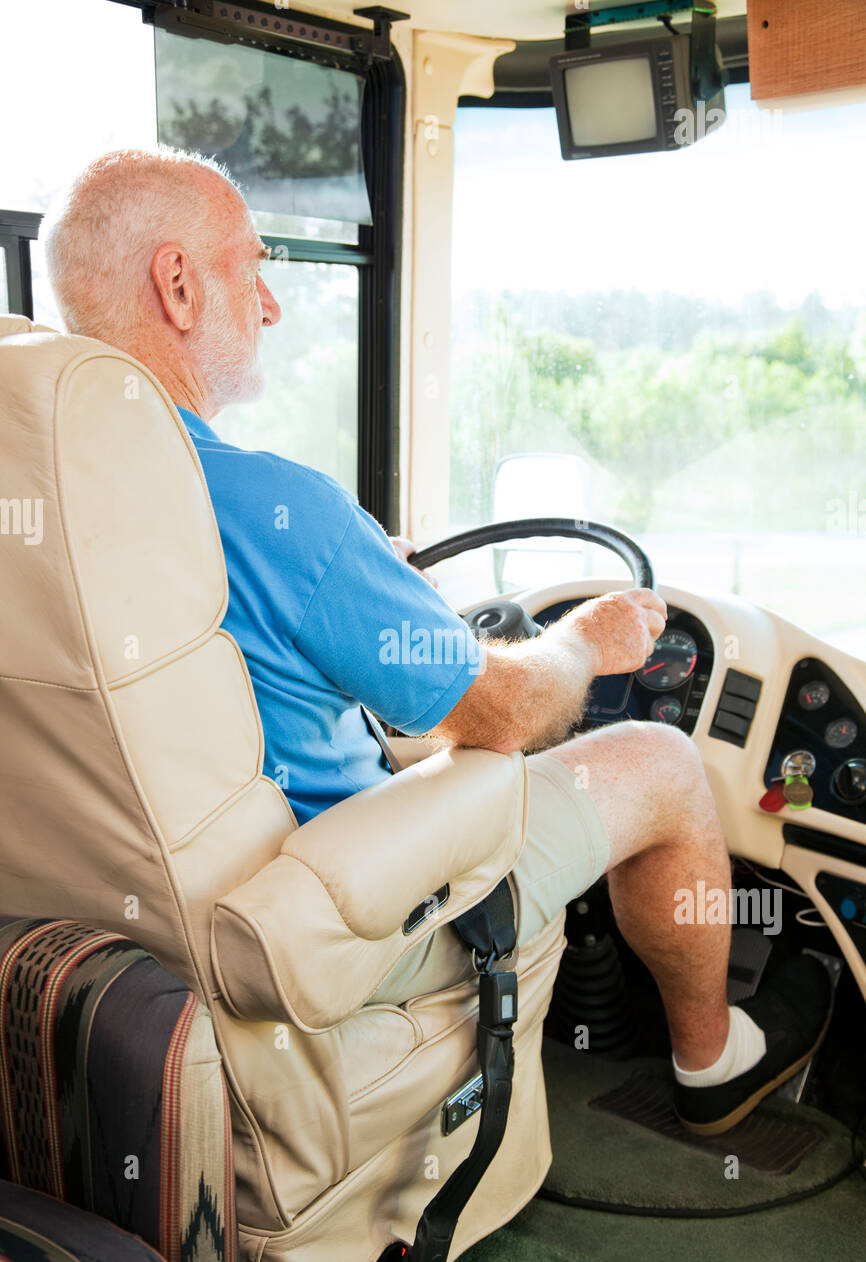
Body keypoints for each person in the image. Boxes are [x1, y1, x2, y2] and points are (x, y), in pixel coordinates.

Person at [43, 147, 832, 1136]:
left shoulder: (46, 499)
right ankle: (714, 1063)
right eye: (253, 267)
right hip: (336, 910)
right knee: (662, 760)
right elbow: (503, 712)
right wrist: (585, 640)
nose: (272, 305)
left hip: (128, 925)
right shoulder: (277, 505)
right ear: (178, 284)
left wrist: (368, 585)